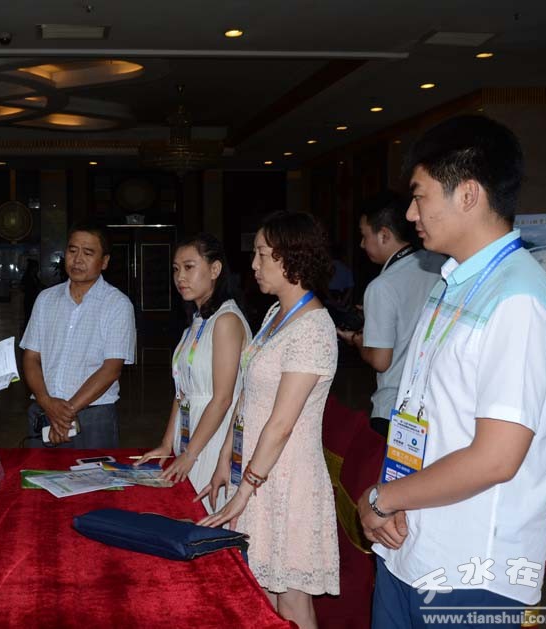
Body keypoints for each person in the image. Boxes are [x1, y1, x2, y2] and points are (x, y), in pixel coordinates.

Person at [357, 116, 546, 628]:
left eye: (420, 196)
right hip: (408, 546)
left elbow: (496, 457)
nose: (411, 213)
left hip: (470, 572)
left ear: (468, 194)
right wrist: (393, 498)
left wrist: (383, 497)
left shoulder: (518, 298)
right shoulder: (450, 283)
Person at [199, 211, 339, 629]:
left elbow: (281, 423)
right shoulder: (274, 315)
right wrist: (226, 458)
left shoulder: (313, 328)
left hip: (287, 477)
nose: (254, 264)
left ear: (291, 256)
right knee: (263, 596)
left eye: (262, 254)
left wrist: (245, 491)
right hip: (258, 470)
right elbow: (247, 396)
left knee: (291, 602)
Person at [135, 233, 249, 512]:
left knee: (204, 514)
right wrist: (167, 444)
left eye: (189, 267)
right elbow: (182, 391)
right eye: (176, 269)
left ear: (215, 269)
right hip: (191, 433)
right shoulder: (197, 321)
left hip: (213, 436)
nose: (180, 277)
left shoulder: (226, 320)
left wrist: (191, 453)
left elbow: (223, 398)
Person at [337, 191, 443, 436]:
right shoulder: (439, 264)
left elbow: (380, 360)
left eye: (364, 235)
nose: (362, 244)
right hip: (432, 406)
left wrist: (357, 340)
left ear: (384, 235)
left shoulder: (382, 286)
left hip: (393, 408)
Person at [21, 221, 135, 447]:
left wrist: (65, 413)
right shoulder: (46, 300)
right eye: (72, 251)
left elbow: (111, 369)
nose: (77, 259)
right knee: (39, 470)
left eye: (88, 253)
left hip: (93, 417)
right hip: (43, 410)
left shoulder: (117, 305)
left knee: (94, 471)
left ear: (104, 261)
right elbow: (31, 357)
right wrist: (47, 403)